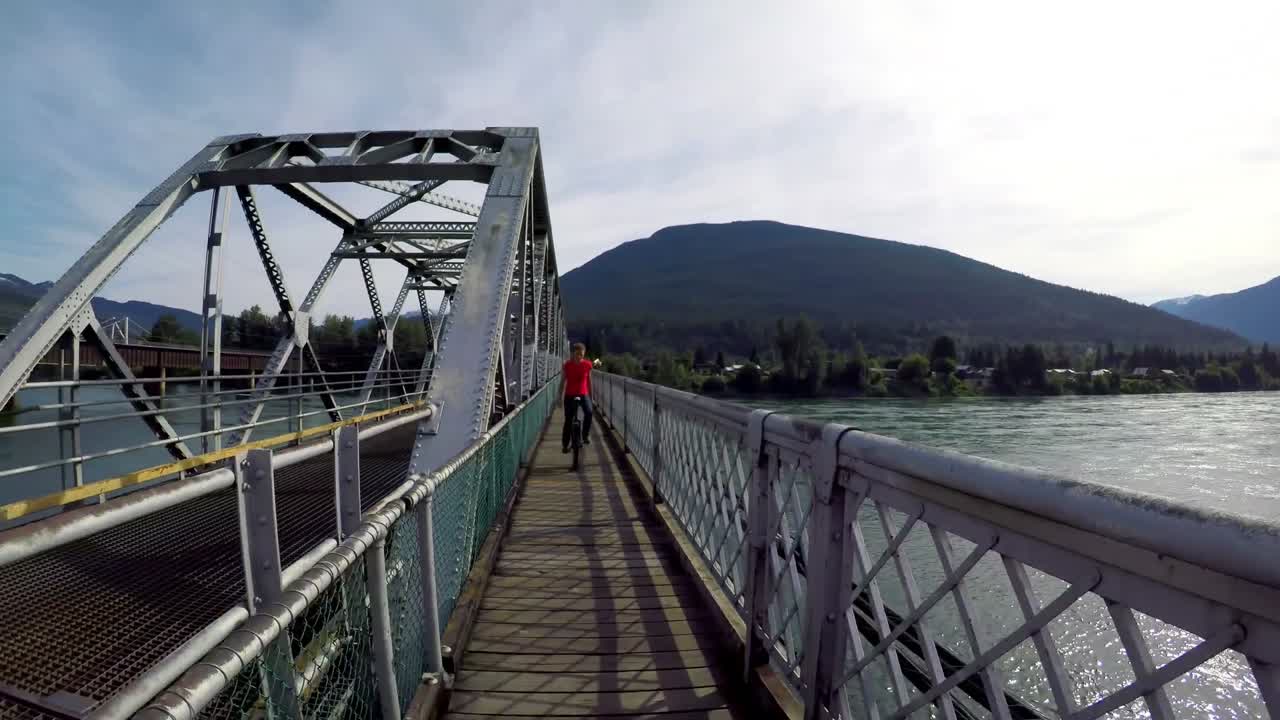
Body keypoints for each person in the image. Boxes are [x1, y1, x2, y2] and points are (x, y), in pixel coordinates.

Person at [562, 342, 594, 453]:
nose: (579, 356)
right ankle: (565, 445)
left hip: (583, 393)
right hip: (569, 394)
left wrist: (591, 397)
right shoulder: (567, 365)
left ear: (584, 354)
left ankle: (585, 435)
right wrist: (559, 397)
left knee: (589, 412)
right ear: (573, 353)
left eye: (581, 354)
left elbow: (589, 381)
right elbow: (562, 381)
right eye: (577, 354)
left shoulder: (587, 365)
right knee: (568, 420)